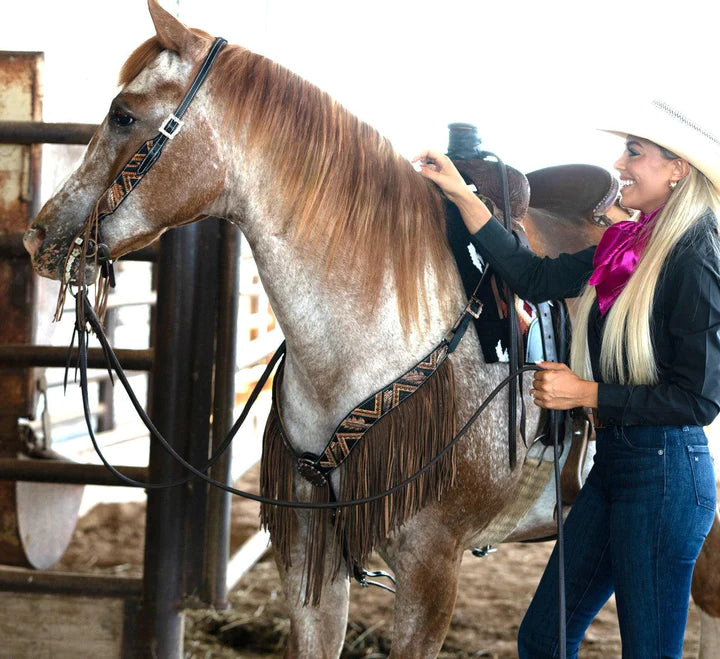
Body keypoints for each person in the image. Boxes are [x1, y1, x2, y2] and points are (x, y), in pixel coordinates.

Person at [415, 98, 720, 658]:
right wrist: (461, 194)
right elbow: (532, 275)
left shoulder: (696, 256)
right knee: (543, 639)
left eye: (635, 152)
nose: (619, 164)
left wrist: (585, 393)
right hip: (618, 468)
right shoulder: (626, 243)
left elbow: (697, 398)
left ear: (677, 168)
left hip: (666, 474)